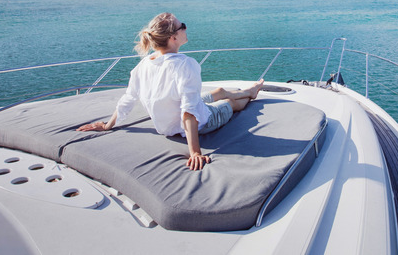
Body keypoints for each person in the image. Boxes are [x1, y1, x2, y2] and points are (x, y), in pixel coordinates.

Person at [77, 12, 263, 171]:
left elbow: (128, 98)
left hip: (167, 125)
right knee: (230, 104)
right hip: (201, 122)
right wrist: (195, 152)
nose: (185, 28)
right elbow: (189, 113)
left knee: (217, 92)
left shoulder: (144, 64)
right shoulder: (185, 65)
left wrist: (108, 125)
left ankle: (230, 91)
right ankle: (250, 94)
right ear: (173, 38)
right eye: (182, 26)